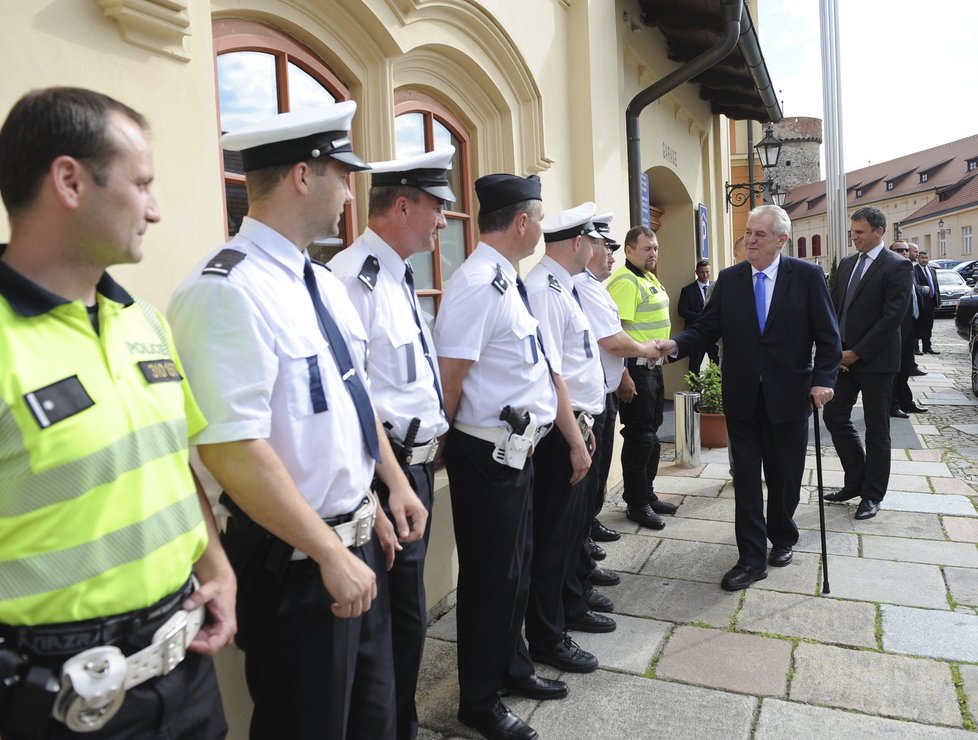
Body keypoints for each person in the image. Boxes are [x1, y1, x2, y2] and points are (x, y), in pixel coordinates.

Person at [168, 102, 428, 740]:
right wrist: (327, 547)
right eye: (342, 173)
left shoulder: (322, 281)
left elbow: (351, 399)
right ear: (303, 177)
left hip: (353, 544)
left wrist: (378, 493)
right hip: (295, 563)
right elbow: (231, 448)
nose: (350, 190)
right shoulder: (225, 289)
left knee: (374, 721)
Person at [0, 87, 235, 739]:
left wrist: (215, 566)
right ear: (70, 181)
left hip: (187, 671)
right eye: (142, 184)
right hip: (60, 703)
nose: (156, 210)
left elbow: (168, 463)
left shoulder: (144, 322)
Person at [434, 173, 567, 740]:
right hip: (487, 455)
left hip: (516, 453)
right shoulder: (476, 283)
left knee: (514, 573)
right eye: (538, 216)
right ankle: (479, 702)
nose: (540, 225)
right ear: (521, 221)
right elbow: (451, 376)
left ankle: (510, 667)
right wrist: (451, 444)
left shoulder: (504, 279)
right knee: (491, 579)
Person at [328, 147, 453, 740]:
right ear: (402, 205)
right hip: (385, 474)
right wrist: (388, 484)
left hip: (415, 472)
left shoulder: (400, 275)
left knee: (406, 621)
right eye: (436, 208)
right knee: (393, 626)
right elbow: (353, 397)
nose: (444, 222)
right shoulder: (354, 279)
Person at [657, 205, 840, 590]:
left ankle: (783, 535)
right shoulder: (730, 279)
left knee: (785, 477)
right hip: (741, 398)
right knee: (746, 481)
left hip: (789, 397)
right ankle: (751, 558)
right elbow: (706, 328)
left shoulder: (806, 277)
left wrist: (824, 380)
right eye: (748, 233)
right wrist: (675, 344)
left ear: (781, 240)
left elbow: (828, 338)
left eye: (759, 234)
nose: (750, 240)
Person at [523, 202, 610, 667]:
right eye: (593, 241)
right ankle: (548, 635)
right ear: (577, 243)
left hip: (576, 422)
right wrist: (574, 433)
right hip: (560, 430)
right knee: (554, 538)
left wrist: (586, 424)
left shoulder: (563, 286)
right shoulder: (543, 289)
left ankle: (569, 609)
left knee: (570, 532)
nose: (597, 249)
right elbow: (551, 372)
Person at [573, 212, 662, 613]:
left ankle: (585, 541)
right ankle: (582, 554)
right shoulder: (585, 285)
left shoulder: (597, 285)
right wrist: (644, 353)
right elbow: (612, 337)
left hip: (604, 391)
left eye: (610, 248)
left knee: (599, 470)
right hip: (591, 397)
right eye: (605, 247)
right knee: (591, 476)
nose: (609, 256)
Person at [823, 206, 911, 521]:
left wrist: (856, 352)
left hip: (875, 363)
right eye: (852, 231)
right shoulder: (846, 265)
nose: (854, 237)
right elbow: (833, 310)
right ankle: (855, 481)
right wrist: (836, 350)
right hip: (843, 360)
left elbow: (891, 319)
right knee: (833, 417)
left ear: (878, 232)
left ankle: (872, 495)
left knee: (877, 430)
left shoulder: (898, 266)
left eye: (859, 232)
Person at [606, 226, 675, 530]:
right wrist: (622, 373)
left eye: (656, 248)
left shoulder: (647, 277)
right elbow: (614, 332)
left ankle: (647, 493)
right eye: (647, 248)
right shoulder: (625, 280)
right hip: (635, 370)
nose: (653, 254)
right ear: (629, 250)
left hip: (653, 368)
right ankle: (637, 503)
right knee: (639, 438)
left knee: (652, 435)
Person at [888, 241, 927, 418]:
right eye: (899, 250)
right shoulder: (890, 271)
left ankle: (906, 402)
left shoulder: (908, 270)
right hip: (896, 329)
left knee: (905, 369)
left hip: (910, 326)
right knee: (895, 371)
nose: (904, 252)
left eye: (906, 249)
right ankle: (893, 404)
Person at [677, 259, 720, 374]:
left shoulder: (716, 288)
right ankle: (695, 391)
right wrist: (701, 316)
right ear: (696, 272)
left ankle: (716, 391)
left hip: (713, 335)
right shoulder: (687, 290)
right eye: (702, 272)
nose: (705, 275)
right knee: (694, 368)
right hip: (696, 335)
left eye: (707, 272)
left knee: (717, 366)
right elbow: (682, 311)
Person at [914, 249, 941, 355]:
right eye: (922, 258)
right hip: (920, 303)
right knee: (918, 325)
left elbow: (936, 286)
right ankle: (916, 348)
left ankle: (927, 347)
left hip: (931, 303)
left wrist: (938, 301)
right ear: (918, 258)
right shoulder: (914, 270)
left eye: (926, 258)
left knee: (929, 326)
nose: (924, 260)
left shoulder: (932, 270)